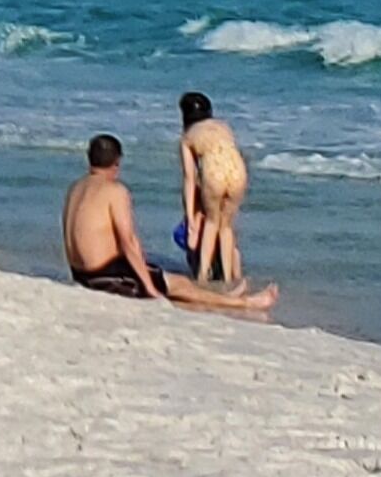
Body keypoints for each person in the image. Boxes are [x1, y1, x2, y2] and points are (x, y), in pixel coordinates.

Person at [64, 133, 274, 316]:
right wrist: (149, 288)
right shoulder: (115, 191)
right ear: (117, 162)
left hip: (81, 273)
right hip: (102, 276)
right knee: (176, 284)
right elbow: (128, 241)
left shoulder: (76, 187)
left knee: (165, 278)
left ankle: (224, 297)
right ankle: (244, 303)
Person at [178, 90, 251, 289]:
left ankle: (202, 276)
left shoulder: (188, 137)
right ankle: (228, 278)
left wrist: (191, 219)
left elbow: (189, 178)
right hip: (238, 171)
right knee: (226, 227)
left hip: (213, 172)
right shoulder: (223, 126)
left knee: (212, 223)